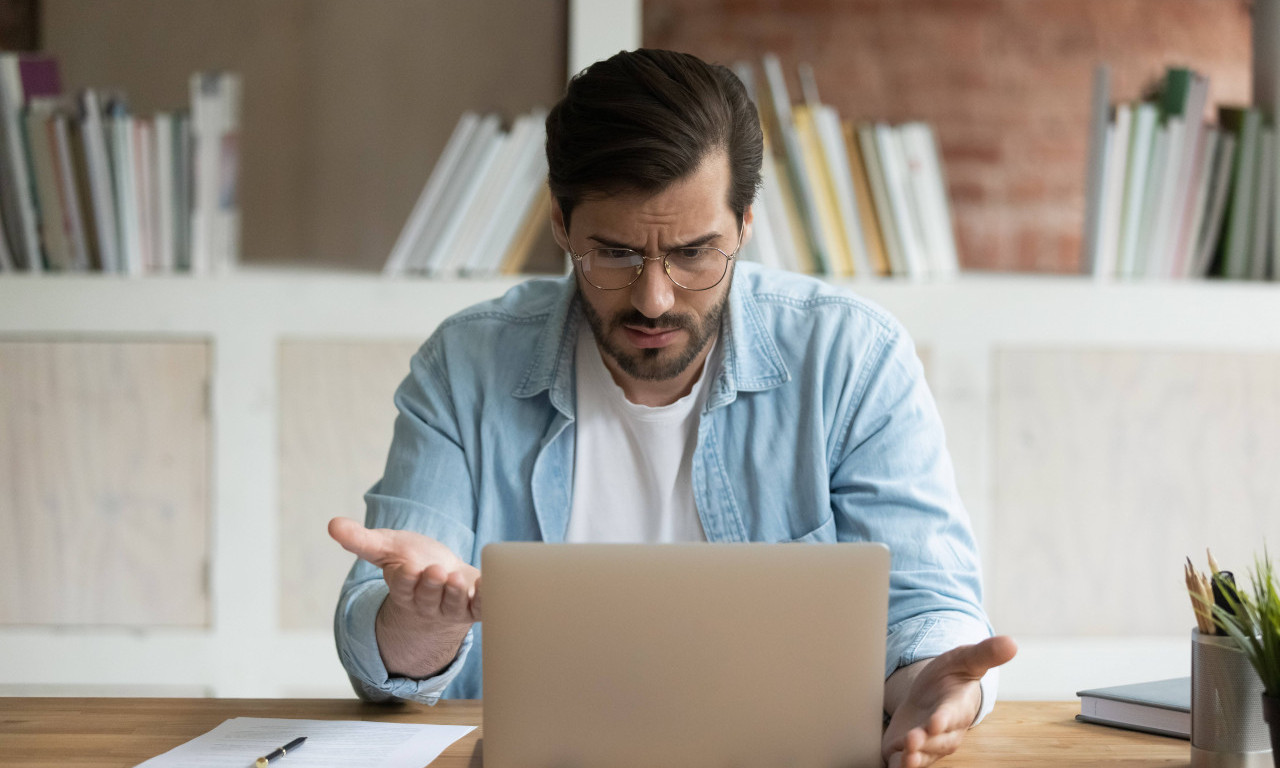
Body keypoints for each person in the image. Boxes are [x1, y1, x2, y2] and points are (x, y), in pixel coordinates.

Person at [329, 48, 1017, 768]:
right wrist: (421, 620)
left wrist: (934, 682)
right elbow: (382, 663)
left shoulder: (853, 359)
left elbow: (925, 607)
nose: (654, 299)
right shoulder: (464, 366)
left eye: (694, 254)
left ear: (745, 225)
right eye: (617, 254)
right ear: (562, 225)